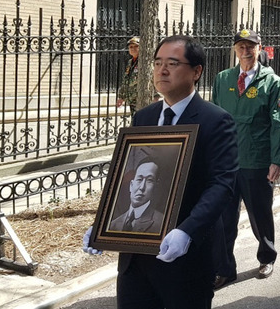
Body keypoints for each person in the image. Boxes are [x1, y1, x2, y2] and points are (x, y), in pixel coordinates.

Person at [83, 35, 239, 309]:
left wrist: (187, 231)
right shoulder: (143, 118)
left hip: (186, 259)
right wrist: (105, 224)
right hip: (135, 260)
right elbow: (125, 179)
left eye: (172, 63)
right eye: (157, 63)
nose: (162, 70)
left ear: (196, 71)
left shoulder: (216, 121)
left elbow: (221, 185)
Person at [212, 29, 280, 288]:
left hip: (257, 160)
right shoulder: (223, 79)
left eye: (250, 46)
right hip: (227, 161)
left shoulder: (273, 82)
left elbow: (279, 122)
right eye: (241, 46)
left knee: (260, 214)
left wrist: (277, 158)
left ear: (260, 48)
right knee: (223, 219)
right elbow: (213, 119)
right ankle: (224, 268)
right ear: (235, 49)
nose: (245, 51)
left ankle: (267, 257)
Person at [109, 158, 165, 233]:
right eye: (139, 179)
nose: (142, 187)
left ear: (155, 187)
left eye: (149, 180)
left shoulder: (161, 223)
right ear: (131, 185)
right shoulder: (113, 225)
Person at [117, 36, 141, 113]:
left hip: (140, 98)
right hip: (132, 99)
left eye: (136, 46)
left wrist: (155, 96)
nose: (133, 49)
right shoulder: (131, 62)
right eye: (131, 47)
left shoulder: (145, 62)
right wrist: (121, 97)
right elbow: (126, 79)